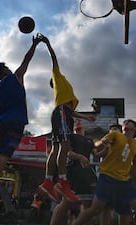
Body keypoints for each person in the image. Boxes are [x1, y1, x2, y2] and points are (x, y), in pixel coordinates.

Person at [0, 34, 42, 206]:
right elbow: (27, 59)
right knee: (5, 153)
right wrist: (35, 44)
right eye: (6, 68)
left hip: (1, 122)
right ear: (5, 71)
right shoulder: (16, 77)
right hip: (16, 121)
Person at [39, 34, 96, 204]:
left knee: (57, 148)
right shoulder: (57, 77)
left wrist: (85, 116)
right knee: (64, 146)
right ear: (54, 81)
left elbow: (71, 112)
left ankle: (49, 181)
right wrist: (48, 44)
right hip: (62, 113)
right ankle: (62, 181)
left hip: (64, 114)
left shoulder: (66, 92)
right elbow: (54, 59)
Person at [74, 119, 136, 225]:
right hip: (107, 177)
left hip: (125, 181)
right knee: (96, 209)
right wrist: (102, 142)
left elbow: (135, 168)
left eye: (129, 122)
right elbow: (97, 145)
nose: (125, 123)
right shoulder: (115, 135)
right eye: (124, 123)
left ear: (135, 129)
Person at [50, 119, 103, 225]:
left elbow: (97, 155)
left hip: (86, 173)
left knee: (88, 203)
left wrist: (107, 147)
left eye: (80, 122)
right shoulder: (71, 137)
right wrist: (80, 157)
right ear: (73, 127)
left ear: (84, 126)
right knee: (66, 201)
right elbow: (67, 152)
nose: (78, 122)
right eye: (75, 122)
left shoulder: (89, 141)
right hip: (73, 171)